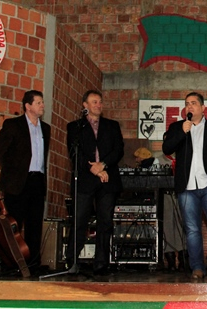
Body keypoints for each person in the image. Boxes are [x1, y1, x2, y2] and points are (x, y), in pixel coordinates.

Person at [162, 92, 207, 279]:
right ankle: (197, 267)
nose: (190, 106)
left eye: (194, 103)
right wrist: (182, 132)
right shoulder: (177, 127)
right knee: (192, 230)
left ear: (203, 108)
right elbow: (167, 148)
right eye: (187, 103)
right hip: (187, 188)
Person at [66, 89, 124, 276]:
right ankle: (72, 261)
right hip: (85, 179)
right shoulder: (75, 127)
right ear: (85, 105)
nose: (98, 105)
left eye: (100, 102)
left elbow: (118, 150)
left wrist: (103, 165)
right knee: (79, 220)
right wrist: (94, 169)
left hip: (108, 178)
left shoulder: (112, 126)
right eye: (94, 102)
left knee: (105, 222)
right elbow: (74, 152)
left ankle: (101, 264)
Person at [0, 90, 51, 274]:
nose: (42, 106)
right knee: (14, 224)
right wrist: (13, 170)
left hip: (37, 180)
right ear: (28, 106)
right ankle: (11, 264)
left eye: (42, 102)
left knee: (35, 224)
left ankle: (33, 264)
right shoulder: (13, 125)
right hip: (18, 182)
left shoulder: (46, 128)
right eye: (38, 102)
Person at [133, 147, 186, 273]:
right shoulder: (157, 160)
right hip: (165, 196)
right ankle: (170, 260)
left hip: (182, 194)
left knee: (182, 227)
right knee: (167, 227)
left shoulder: (183, 157)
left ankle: (184, 259)